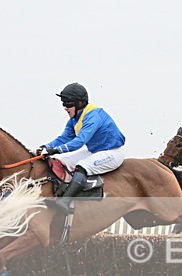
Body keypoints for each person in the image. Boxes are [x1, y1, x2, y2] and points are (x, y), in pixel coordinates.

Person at [36, 82, 126, 213]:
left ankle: (65, 201)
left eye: (68, 104)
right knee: (61, 161)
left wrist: (56, 150)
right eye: (63, 104)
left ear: (79, 103)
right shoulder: (74, 118)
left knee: (82, 166)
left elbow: (79, 142)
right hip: (94, 151)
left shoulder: (93, 116)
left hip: (112, 153)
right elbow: (64, 138)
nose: (65, 108)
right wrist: (46, 146)